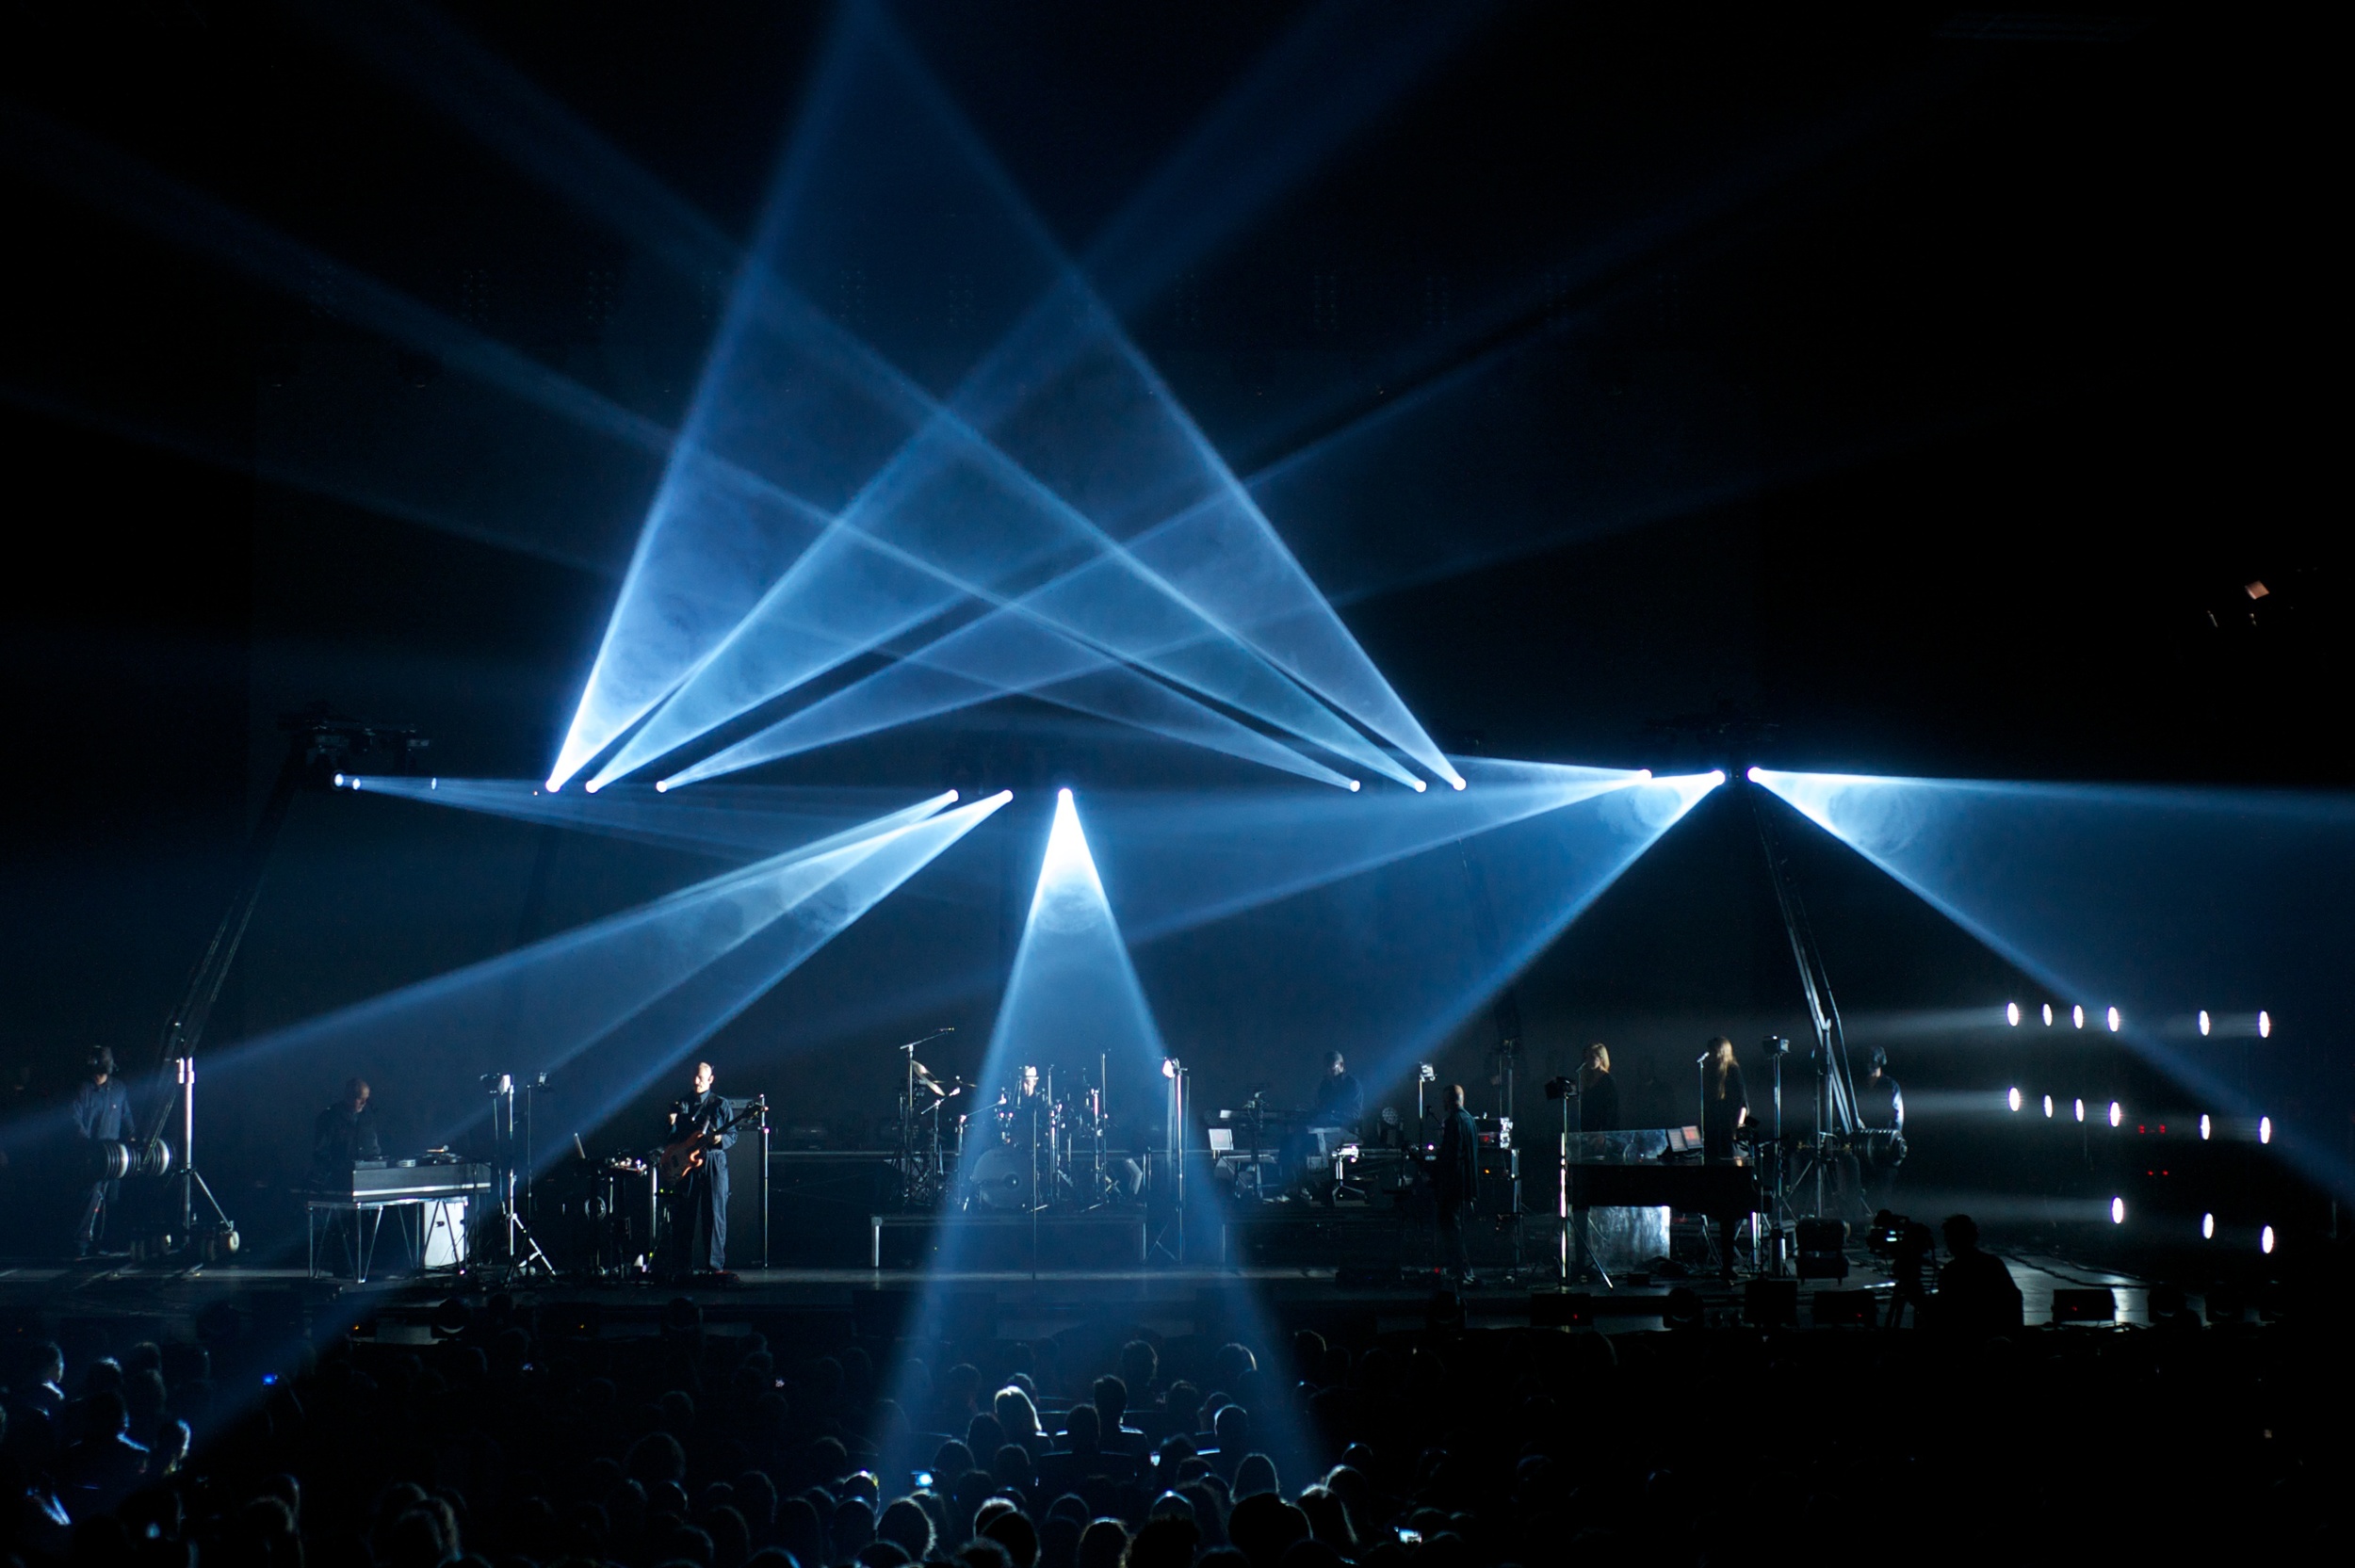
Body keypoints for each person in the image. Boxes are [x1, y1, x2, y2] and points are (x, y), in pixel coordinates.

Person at [663, 1060, 736, 1276]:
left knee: (714, 1214)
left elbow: (732, 1136)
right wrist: (671, 1123)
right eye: (694, 1077)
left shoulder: (720, 1105)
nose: (696, 1082)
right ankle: (682, 1266)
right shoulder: (682, 1103)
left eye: (701, 1078)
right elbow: (672, 1140)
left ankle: (714, 1268)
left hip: (713, 1161)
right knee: (685, 1214)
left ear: (710, 1080)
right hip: (688, 1165)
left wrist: (719, 1139)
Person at [70, 1047, 135, 1259]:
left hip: (115, 1156)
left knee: (111, 1198)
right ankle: (81, 1245)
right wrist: (86, 1145)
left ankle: (104, 1243)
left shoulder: (119, 1089)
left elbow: (126, 1117)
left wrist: (133, 1137)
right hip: (92, 1156)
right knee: (90, 1198)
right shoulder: (84, 1089)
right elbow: (75, 1119)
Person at [1935, 1214, 2022, 1337]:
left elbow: (1945, 1310)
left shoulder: (1951, 1271)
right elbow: (2014, 1298)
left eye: (1949, 1238)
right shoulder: (1993, 1264)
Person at [1431, 1083, 1477, 1286]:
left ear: (1448, 1100)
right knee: (1455, 1225)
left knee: (1450, 1226)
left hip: (1452, 1183)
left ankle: (1461, 1269)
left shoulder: (1453, 1121)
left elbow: (1451, 1155)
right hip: (1465, 1182)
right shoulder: (1469, 1120)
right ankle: (1461, 1268)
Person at [310, 1078, 382, 1178]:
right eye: (360, 1098)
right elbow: (321, 1151)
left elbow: (375, 1148)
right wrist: (338, 1167)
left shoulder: (368, 1119)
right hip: (338, 1178)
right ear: (349, 1096)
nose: (364, 1103)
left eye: (366, 1099)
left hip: (366, 1176)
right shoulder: (330, 1117)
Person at [1699, 1038, 1747, 1157]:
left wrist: (1738, 1126)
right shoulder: (1711, 1070)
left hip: (1729, 1123)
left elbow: (1742, 1102)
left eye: (1714, 1051)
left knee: (1729, 1155)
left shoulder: (1732, 1069)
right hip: (1715, 1122)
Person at [1307, 1051, 1363, 1133]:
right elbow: (1319, 1106)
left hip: (1345, 1128)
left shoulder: (1352, 1084)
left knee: (1317, 1142)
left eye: (1332, 1066)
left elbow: (1354, 1114)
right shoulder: (1325, 1084)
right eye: (1326, 1066)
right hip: (1325, 1127)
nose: (1328, 1070)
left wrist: (1333, 1114)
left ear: (1341, 1065)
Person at [1577, 1043, 1620, 1133]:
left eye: (1592, 1057)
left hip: (1602, 1129)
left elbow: (1611, 1108)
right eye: (1586, 1057)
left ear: (1601, 1058)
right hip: (1588, 1127)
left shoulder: (1608, 1080)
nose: (1588, 1060)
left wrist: (1604, 1131)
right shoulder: (1587, 1078)